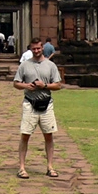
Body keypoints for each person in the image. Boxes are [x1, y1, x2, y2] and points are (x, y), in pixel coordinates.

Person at [13, 37, 62, 179]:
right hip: (30, 103)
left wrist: (44, 86)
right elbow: (16, 83)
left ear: (43, 48)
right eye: (33, 49)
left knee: (49, 135)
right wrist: (26, 86)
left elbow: (58, 85)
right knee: (25, 135)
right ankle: (22, 168)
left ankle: (50, 167)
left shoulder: (50, 65)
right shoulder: (24, 65)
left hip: (46, 104)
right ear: (30, 49)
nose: (36, 51)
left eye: (38, 48)